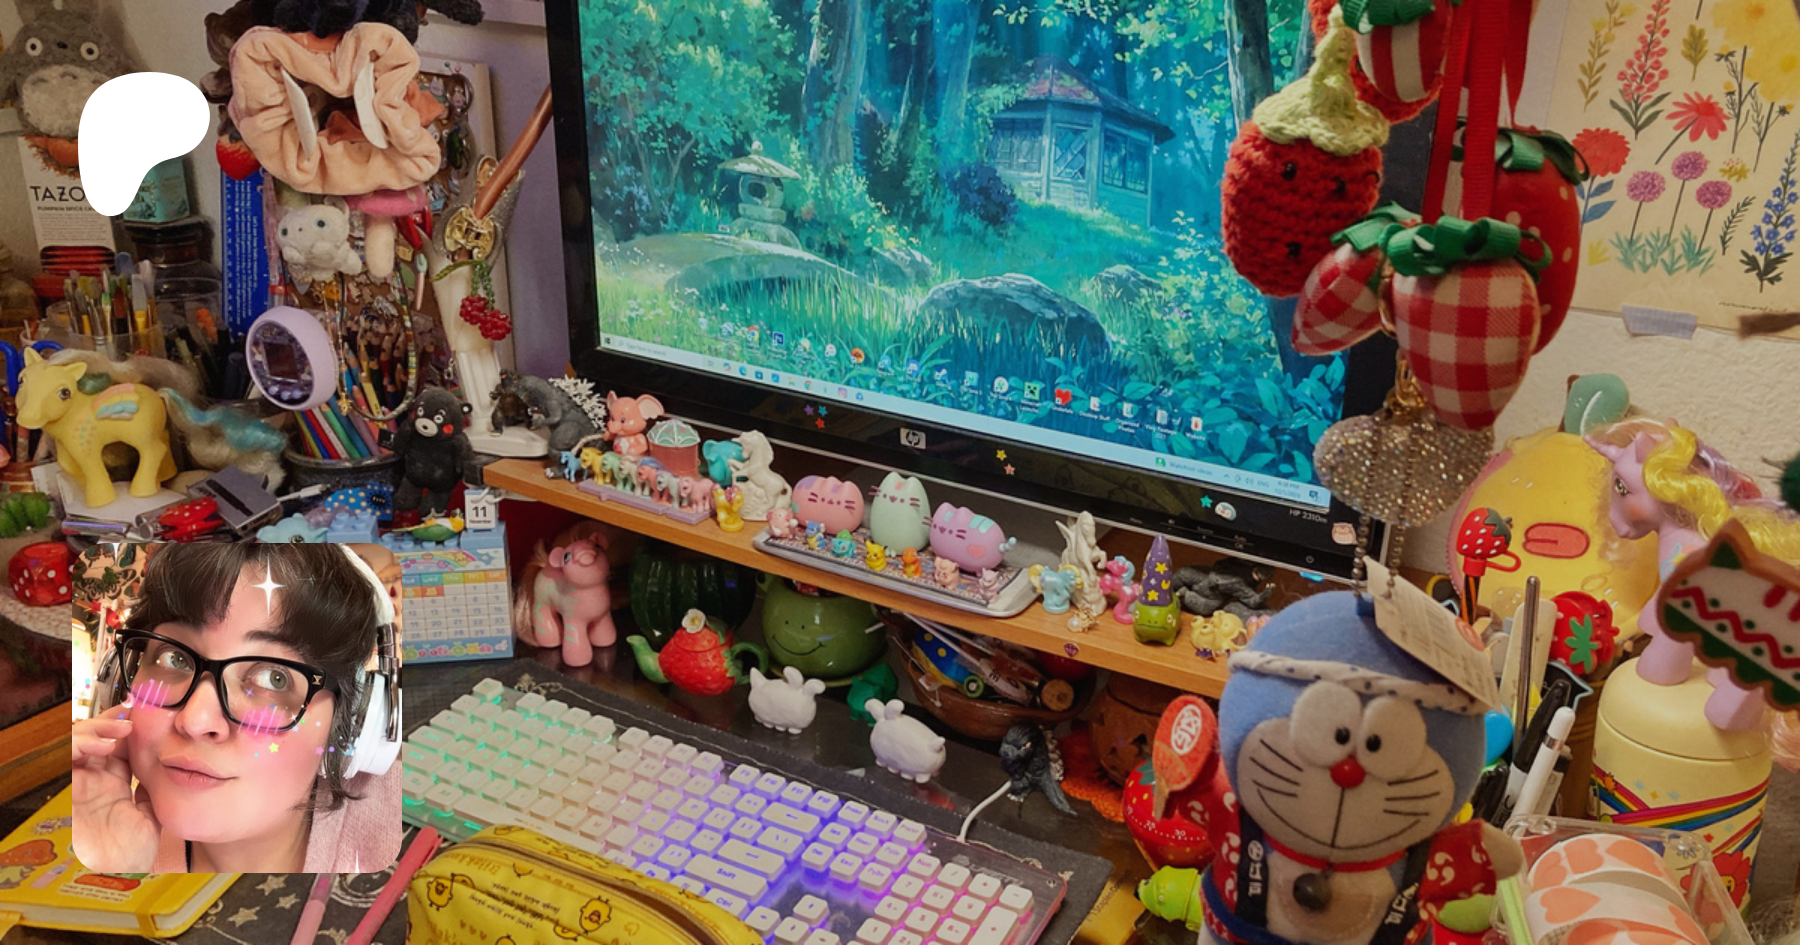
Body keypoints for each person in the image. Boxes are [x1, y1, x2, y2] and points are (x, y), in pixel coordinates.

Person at [71, 544, 400, 873]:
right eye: (174, 658)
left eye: (274, 679)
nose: (195, 720)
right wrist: (111, 871)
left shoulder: (402, 837)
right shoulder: (94, 816)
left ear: (352, 724)